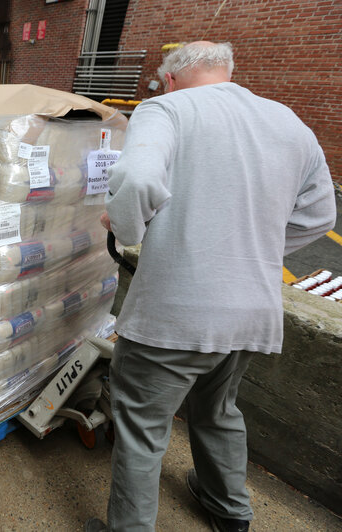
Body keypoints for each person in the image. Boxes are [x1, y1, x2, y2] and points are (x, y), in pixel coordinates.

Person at [84, 42, 336, 531]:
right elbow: (321, 214)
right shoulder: (288, 121)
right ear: (227, 72)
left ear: (172, 79)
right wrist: (254, 250)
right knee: (219, 410)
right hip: (251, 314)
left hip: (175, 314)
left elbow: (135, 179)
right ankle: (230, 513)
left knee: (142, 430)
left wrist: (126, 230)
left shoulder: (166, 109)